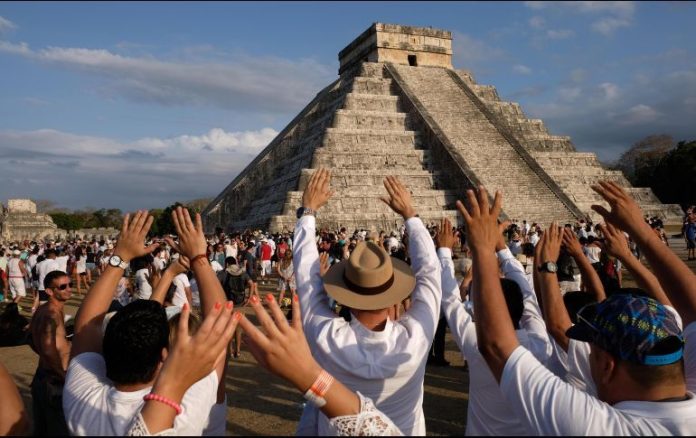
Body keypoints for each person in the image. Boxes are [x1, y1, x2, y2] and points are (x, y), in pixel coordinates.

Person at [458, 182, 696, 435]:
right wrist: (640, 237)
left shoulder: (597, 426)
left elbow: (497, 346)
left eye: (592, 354)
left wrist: (483, 249)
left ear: (607, 366)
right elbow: (691, 307)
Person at [294, 170, 441, 435]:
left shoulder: (327, 338)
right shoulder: (416, 339)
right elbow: (430, 272)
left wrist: (308, 212)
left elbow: (306, 279)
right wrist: (410, 214)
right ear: (394, 294)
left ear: (346, 296)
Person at [63, 209, 231, 435]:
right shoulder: (185, 410)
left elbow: (86, 327)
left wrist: (119, 257)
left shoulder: (82, 399)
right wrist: (199, 258)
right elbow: (219, 327)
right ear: (164, 356)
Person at [438, 216, 552, 435]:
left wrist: (444, 251)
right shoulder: (540, 340)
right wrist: (501, 248)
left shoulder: (477, 342)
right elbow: (527, 296)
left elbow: (451, 300)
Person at [29, 270, 72, 435]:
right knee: (57, 429)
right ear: (49, 291)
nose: (68, 289)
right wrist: (62, 375)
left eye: (70, 284)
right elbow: (48, 350)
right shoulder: (51, 314)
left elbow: (30, 337)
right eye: (62, 287)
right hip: (53, 381)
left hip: (43, 376)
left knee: (42, 429)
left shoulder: (44, 309)